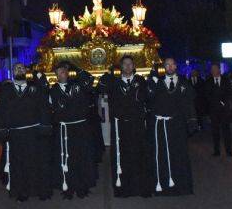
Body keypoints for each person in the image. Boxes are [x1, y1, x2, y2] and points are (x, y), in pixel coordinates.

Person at [0, 63, 53, 202]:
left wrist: (44, 126)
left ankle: (40, 190)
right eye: (16, 68)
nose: (19, 70)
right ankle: (22, 191)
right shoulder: (6, 91)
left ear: (26, 71)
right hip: (16, 134)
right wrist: (2, 130)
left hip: (34, 133)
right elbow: (0, 112)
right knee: (19, 164)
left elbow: (43, 107)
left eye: (21, 68)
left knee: (37, 162)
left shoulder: (35, 88)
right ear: (12, 73)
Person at [98, 56, 152, 197]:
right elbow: (100, 86)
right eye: (125, 64)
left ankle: (142, 188)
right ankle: (124, 188)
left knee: (140, 155)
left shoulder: (140, 81)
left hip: (137, 124)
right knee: (122, 157)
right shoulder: (114, 82)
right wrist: (109, 72)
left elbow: (146, 98)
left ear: (133, 66)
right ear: (121, 67)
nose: (128, 66)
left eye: (130, 64)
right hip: (120, 125)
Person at [146, 58, 196, 196]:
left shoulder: (184, 84)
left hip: (177, 125)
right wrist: (153, 78)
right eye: (166, 64)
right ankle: (161, 186)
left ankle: (181, 186)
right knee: (161, 155)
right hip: (161, 125)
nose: (169, 67)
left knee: (179, 154)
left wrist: (192, 120)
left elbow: (189, 104)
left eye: (172, 64)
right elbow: (149, 96)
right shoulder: (157, 83)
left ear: (176, 67)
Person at [49, 64, 97, 199]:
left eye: (63, 72)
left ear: (68, 73)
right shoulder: (53, 90)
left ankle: (82, 186)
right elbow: (52, 108)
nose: (61, 75)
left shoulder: (79, 86)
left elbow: (89, 81)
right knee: (66, 158)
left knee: (82, 157)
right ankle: (67, 186)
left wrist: (77, 68)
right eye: (58, 73)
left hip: (80, 128)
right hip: (64, 129)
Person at [204, 63, 232, 157]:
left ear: (219, 70)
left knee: (226, 130)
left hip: (224, 109)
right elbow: (207, 95)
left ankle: (229, 151)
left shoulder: (226, 80)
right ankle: (217, 151)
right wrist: (215, 102)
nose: (213, 71)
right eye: (212, 70)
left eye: (215, 69)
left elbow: (229, 92)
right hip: (213, 109)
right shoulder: (208, 81)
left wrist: (223, 102)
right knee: (215, 131)